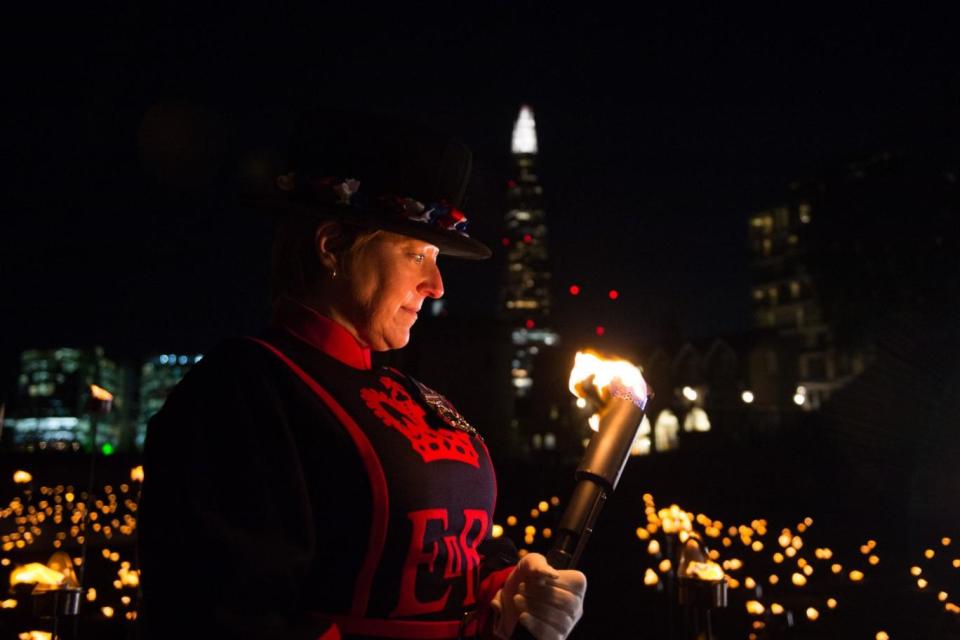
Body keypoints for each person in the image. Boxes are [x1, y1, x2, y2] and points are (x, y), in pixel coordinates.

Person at [139, 112, 587, 640]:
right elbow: (224, 613)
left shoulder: (413, 392)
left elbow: (453, 554)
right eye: (415, 254)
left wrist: (508, 590)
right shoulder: (242, 391)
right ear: (331, 245)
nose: (437, 285)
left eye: (438, 257)